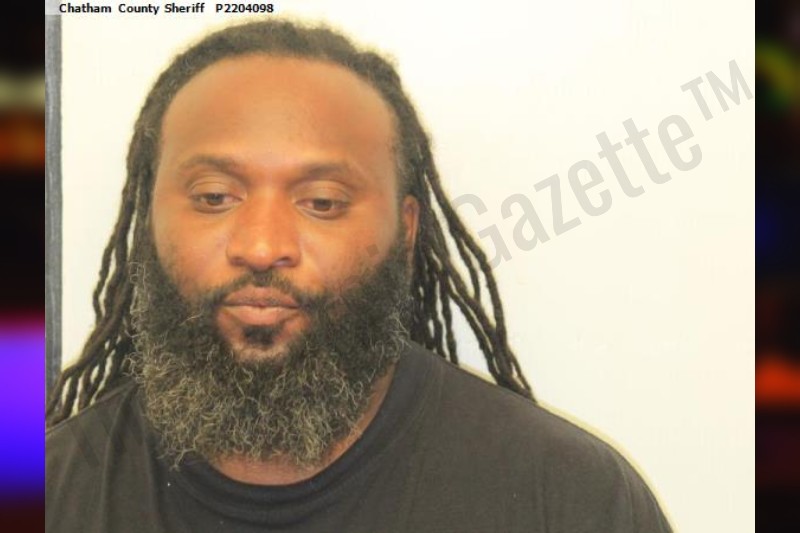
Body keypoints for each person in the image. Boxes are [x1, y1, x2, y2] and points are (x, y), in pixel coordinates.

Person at [46, 19, 672, 532]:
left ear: (405, 233)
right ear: (147, 219)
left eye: (322, 202)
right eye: (214, 196)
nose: (262, 246)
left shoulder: (571, 502)